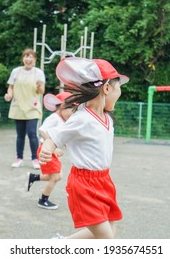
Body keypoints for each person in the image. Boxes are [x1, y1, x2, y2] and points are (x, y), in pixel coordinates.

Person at [38, 57, 129, 239]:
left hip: (104, 180)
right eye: (119, 87)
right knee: (106, 238)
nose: (120, 92)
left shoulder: (107, 119)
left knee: (110, 231)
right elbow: (55, 135)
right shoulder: (81, 118)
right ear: (107, 88)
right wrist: (48, 148)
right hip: (84, 184)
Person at [26, 91, 73, 210]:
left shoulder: (60, 119)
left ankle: (34, 177)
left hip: (50, 151)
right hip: (46, 151)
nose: (72, 114)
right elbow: (43, 130)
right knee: (55, 177)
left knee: (58, 175)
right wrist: (54, 148)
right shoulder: (54, 118)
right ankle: (43, 200)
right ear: (62, 106)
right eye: (72, 110)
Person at [4, 48, 45, 170]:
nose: (28, 59)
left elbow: (41, 91)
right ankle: (19, 158)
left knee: (32, 133)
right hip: (18, 106)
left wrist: (39, 87)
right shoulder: (16, 71)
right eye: (26, 56)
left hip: (33, 107)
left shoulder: (39, 73)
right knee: (20, 135)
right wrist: (9, 95)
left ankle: (35, 159)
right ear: (23, 59)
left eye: (31, 57)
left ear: (35, 59)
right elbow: (10, 87)